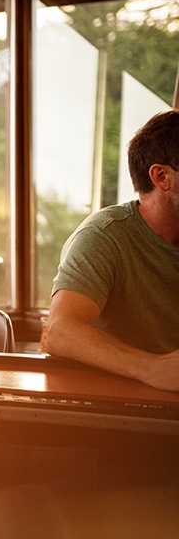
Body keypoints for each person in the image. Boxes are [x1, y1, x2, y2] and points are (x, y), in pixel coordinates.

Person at [45, 109, 179, 392]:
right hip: (119, 409)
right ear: (161, 176)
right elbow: (61, 331)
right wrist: (152, 368)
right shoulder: (105, 235)